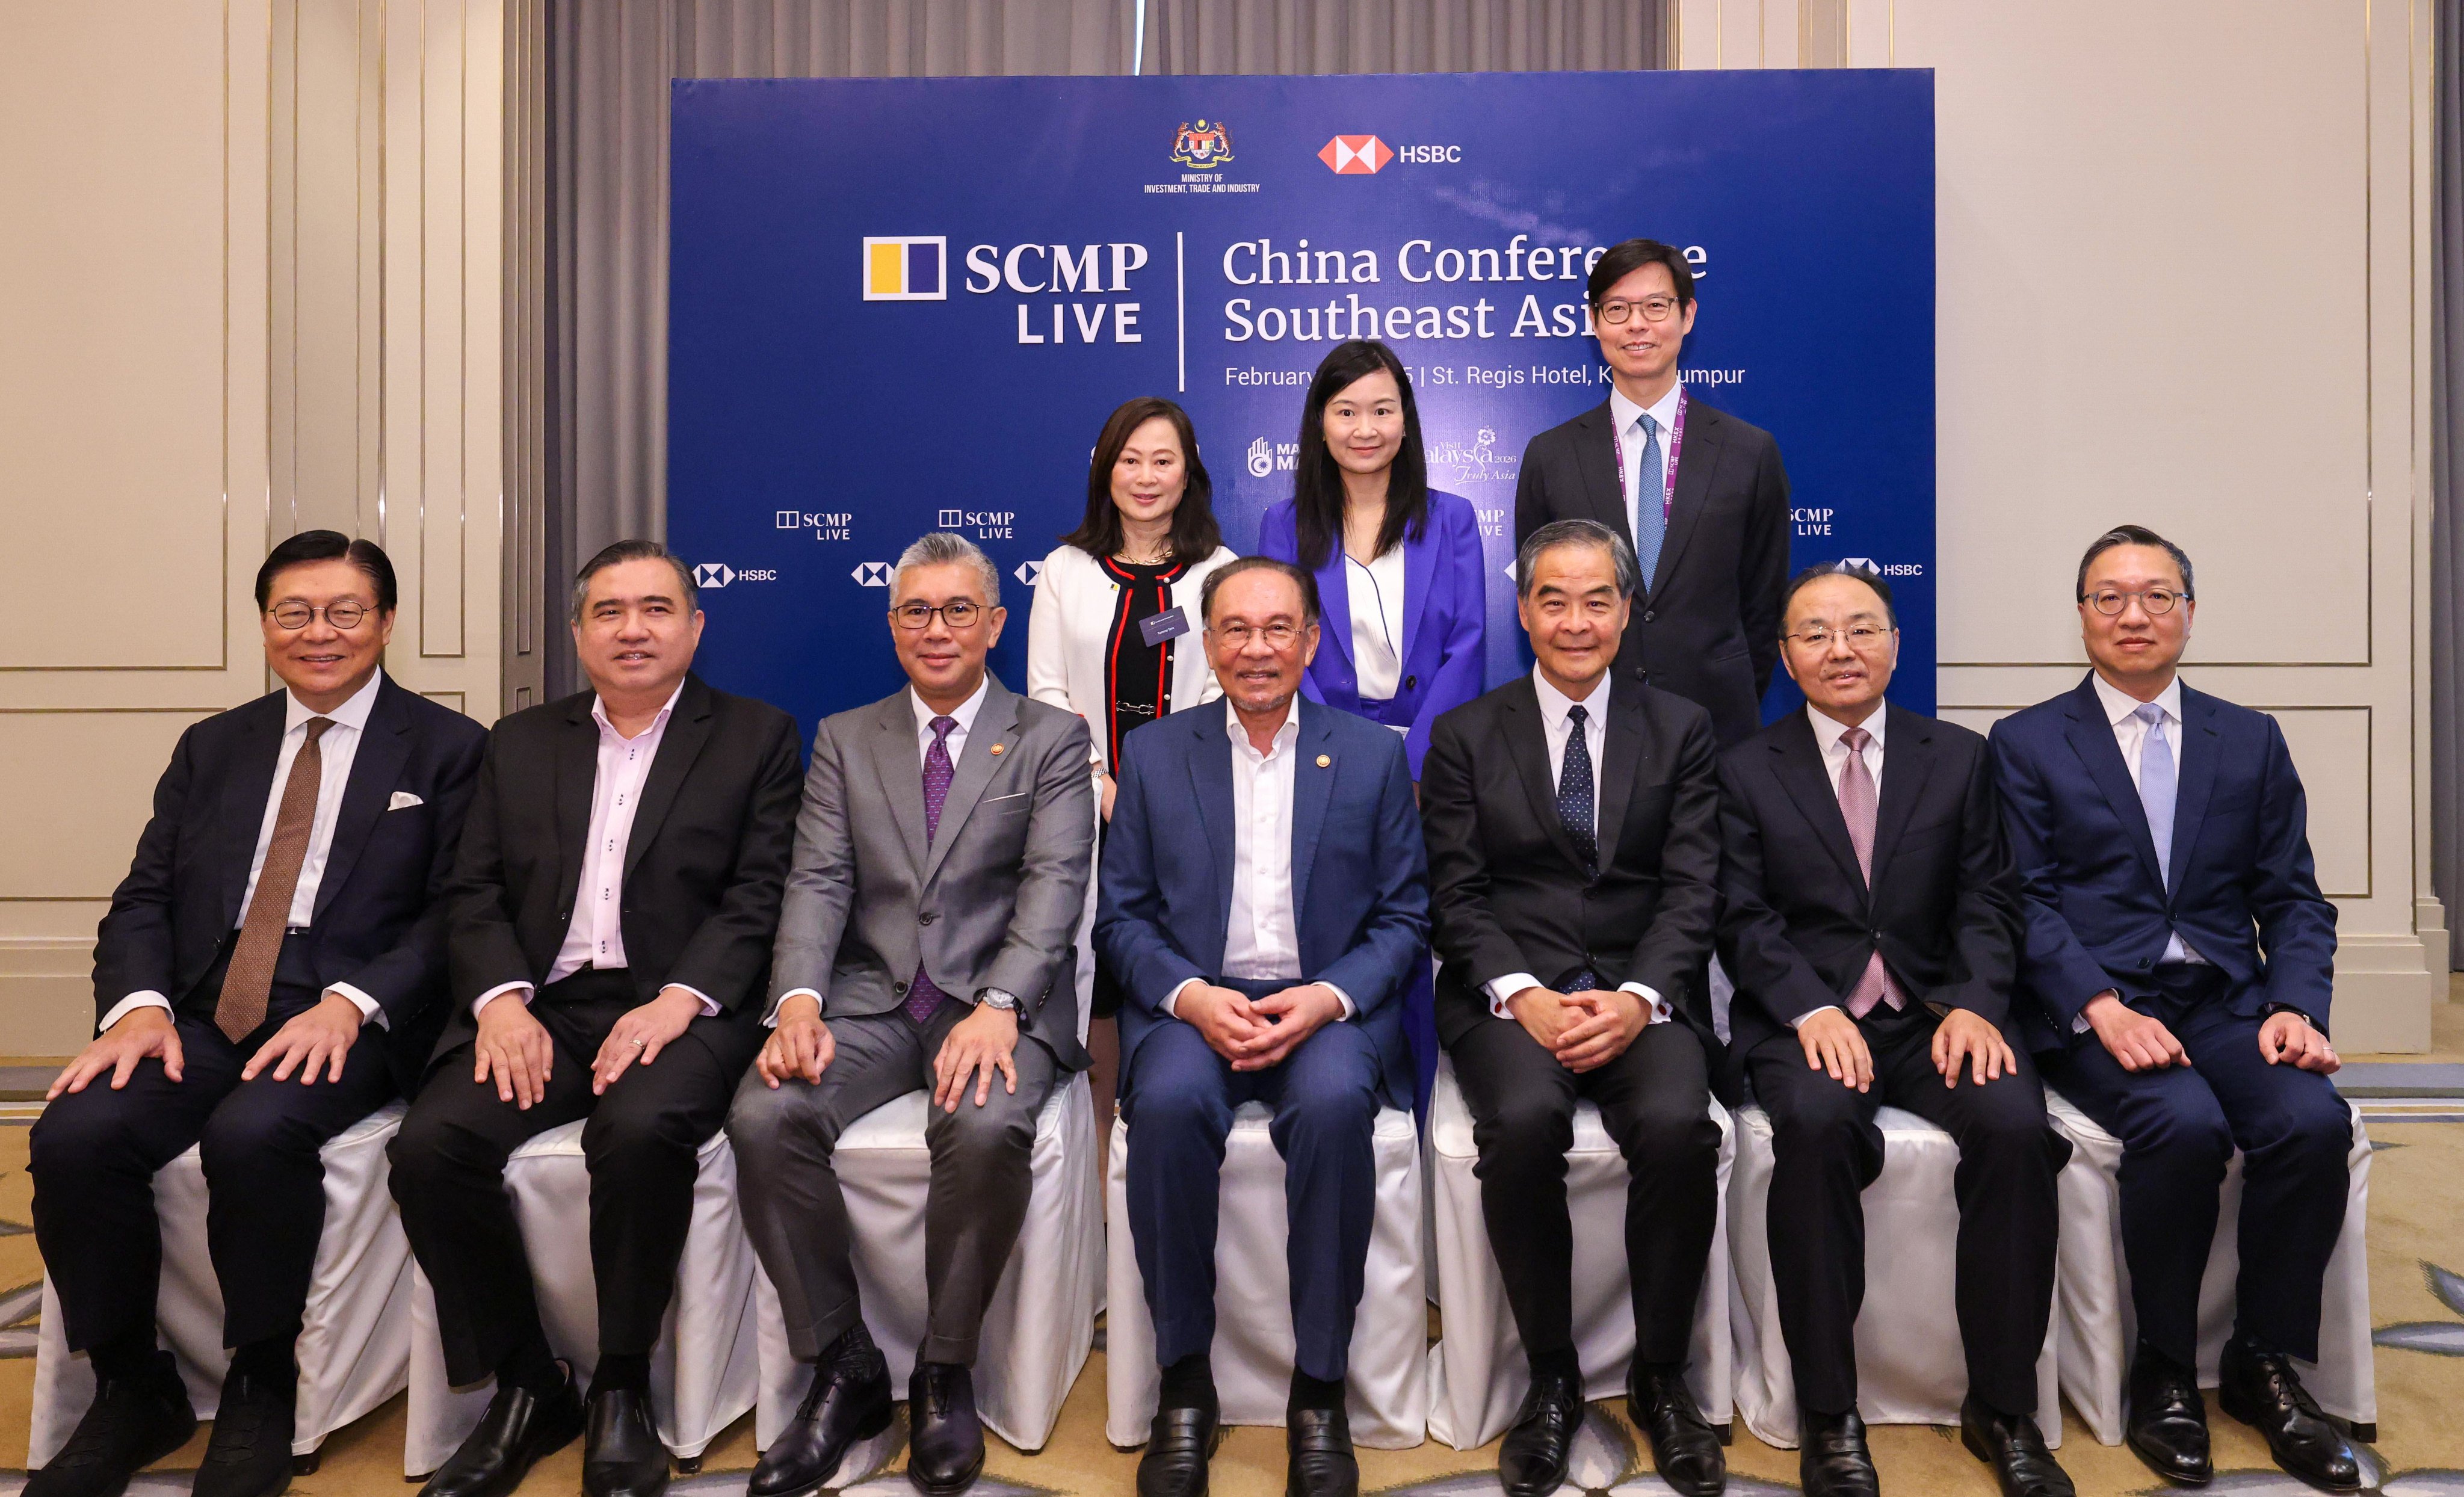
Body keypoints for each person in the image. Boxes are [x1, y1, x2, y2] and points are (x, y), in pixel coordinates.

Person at [27, 532, 487, 1497]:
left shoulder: (449, 750)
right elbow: (144, 894)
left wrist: (350, 1004)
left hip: (344, 1016)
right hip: (200, 1012)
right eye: (295, 614)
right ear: (266, 626)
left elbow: (460, 911)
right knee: (76, 1133)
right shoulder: (214, 746)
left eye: (345, 612)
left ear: (388, 622)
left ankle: (261, 1380)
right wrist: (140, 1008)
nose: (319, 633)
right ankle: (130, 1385)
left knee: (255, 1133)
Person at [387, 540, 803, 1497]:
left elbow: (758, 894)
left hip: (680, 1010)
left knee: (641, 1128)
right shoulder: (521, 742)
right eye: (609, 611)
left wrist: (677, 1000)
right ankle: (532, 1386)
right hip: (540, 1009)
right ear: (577, 634)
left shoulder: (755, 736)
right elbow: (473, 888)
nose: (632, 629)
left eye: (656, 609)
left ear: (695, 628)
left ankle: (622, 1382)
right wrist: (498, 1002)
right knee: (429, 1148)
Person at [1989, 526, 2358, 1492]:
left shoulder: (2250, 738)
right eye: (2107, 598)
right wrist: (2097, 1006)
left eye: (2155, 596)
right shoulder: (2025, 742)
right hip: (2100, 1010)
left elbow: (2291, 898)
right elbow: (2018, 903)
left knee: (2311, 1120)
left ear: (2189, 613)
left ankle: (2262, 1360)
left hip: (2225, 1000)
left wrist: (2294, 1005)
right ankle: (2162, 1368)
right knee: (2182, 1124)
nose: (2132, 615)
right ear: (2079, 617)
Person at [729, 532, 1095, 1497]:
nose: (937, 630)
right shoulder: (848, 737)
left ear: (995, 624)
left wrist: (1003, 1003)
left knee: (979, 1127)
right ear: (892, 625)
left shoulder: (1051, 738)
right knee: (765, 1115)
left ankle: (943, 1367)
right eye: (916, 612)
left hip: (996, 1004)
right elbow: (816, 880)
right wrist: (797, 1001)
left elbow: (1053, 888)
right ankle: (843, 1363)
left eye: (958, 610)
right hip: (871, 1000)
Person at [1718, 564, 2070, 1497]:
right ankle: (1829, 1416)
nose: (1840, 649)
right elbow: (1740, 918)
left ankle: (2002, 1407)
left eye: (1860, 629)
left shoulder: (1957, 756)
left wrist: (1971, 1004)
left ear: (1894, 644)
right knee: (1816, 1128)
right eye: (1815, 634)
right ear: (1785, 657)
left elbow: (1991, 900)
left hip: (1933, 1015)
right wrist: (1808, 1006)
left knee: (2012, 1129)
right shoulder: (1744, 770)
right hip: (1808, 1020)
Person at [1096, 557, 1428, 1497]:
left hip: (1323, 1004)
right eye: (1234, 629)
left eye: (1277, 628)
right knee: (1162, 1107)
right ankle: (1183, 1386)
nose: (1256, 648)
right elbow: (1119, 918)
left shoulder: (1368, 753)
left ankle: (1317, 1392)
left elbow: (1405, 918)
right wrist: (1191, 998)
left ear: (1311, 641)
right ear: (1207, 644)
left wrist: (1326, 1000)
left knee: (1328, 1109)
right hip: (1192, 1004)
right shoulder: (1158, 753)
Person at [1418, 519, 1724, 1497]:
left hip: (1643, 990)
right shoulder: (1468, 734)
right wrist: (1529, 997)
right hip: (1512, 994)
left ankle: (1661, 1373)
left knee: (1681, 1126)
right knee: (1520, 1119)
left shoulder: (1682, 728)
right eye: (1554, 598)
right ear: (1523, 610)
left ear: (1628, 612)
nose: (1576, 619)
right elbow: (1455, 897)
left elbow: (1692, 890)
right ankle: (1550, 1373)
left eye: (1598, 599)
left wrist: (1638, 999)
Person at [1259, 340, 1486, 1113]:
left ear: (1406, 419)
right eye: (1347, 410)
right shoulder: (1285, 523)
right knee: (1340, 919)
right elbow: (1285, 644)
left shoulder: (1451, 518)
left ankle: (1418, 1095)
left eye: (1382, 409)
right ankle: (1335, 1074)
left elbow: (1469, 645)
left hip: (1433, 767)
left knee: (1418, 925)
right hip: (1327, 758)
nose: (1366, 427)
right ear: (1320, 424)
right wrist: (1356, 758)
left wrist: (1420, 768)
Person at [1025, 397, 1239, 1162]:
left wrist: (1151, 791)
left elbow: (1227, 692)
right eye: (1130, 460)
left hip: (1190, 805)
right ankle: (1098, 1141)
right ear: (1105, 470)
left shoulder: (1220, 572)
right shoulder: (1065, 570)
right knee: (1097, 982)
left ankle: (1167, 1129)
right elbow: (1047, 693)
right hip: (1083, 807)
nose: (1146, 477)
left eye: (1163, 460)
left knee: (1174, 960)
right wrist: (1102, 781)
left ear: (1189, 474)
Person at [1513, 237, 1791, 748]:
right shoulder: (1550, 456)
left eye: (1654, 307)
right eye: (1616, 309)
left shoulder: (1748, 452)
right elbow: (1539, 600)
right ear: (1594, 322)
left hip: (1717, 728)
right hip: (1590, 725)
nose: (1636, 325)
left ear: (1687, 316)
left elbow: (1763, 601)